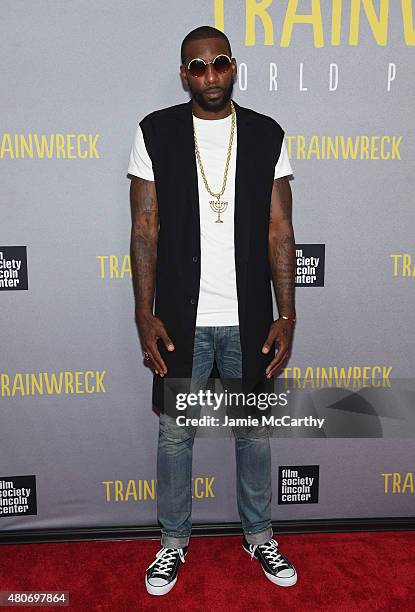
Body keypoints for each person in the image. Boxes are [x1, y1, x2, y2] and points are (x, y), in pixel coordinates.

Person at [127, 25, 297, 596]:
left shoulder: (268, 134)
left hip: (248, 319)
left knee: (252, 433)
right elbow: (144, 227)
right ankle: (172, 544)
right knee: (176, 435)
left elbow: (280, 229)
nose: (210, 76)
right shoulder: (155, 132)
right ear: (184, 74)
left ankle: (260, 534)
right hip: (181, 318)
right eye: (197, 67)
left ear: (234, 67)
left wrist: (286, 314)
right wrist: (144, 313)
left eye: (219, 63)